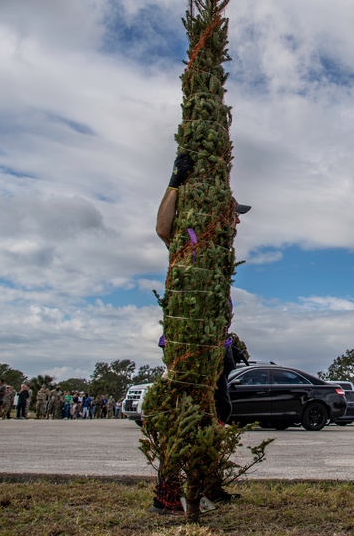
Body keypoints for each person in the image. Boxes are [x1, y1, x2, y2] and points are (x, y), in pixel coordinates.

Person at [150, 152, 251, 513]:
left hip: (217, 351)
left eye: (237, 215)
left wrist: (231, 341)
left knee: (217, 415)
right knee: (183, 414)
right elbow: (163, 228)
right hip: (189, 350)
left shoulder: (220, 256)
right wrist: (175, 181)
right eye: (233, 213)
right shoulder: (189, 242)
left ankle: (209, 485)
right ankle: (167, 494)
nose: (236, 222)